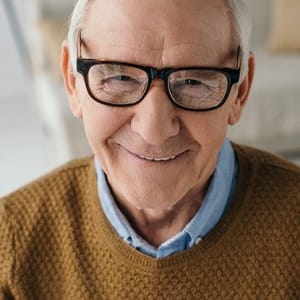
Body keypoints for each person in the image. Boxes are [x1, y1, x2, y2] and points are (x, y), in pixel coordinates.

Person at [0, 0, 299, 298]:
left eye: (194, 82)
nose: (153, 131)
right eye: (119, 77)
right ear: (71, 81)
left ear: (240, 92)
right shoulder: (11, 239)